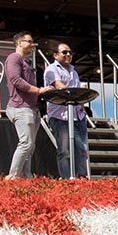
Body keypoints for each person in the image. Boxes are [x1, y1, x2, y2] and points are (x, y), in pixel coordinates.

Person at [5, 32, 59, 178]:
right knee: (26, 144)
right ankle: (13, 176)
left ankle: (25, 176)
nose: (32, 45)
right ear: (19, 43)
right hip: (20, 107)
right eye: (29, 41)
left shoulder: (25, 62)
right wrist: (39, 90)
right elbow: (16, 80)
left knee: (30, 146)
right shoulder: (13, 58)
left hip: (31, 108)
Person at [44, 41, 89, 179]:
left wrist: (81, 103)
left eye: (70, 52)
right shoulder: (51, 69)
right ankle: (67, 179)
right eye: (64, 52)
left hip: (77, 116)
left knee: (81, 149)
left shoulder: (74, 72)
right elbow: (60, 87)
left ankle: (81, 178)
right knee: (65, 150)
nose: (68, 54)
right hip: (60, 116)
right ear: (55, 55)